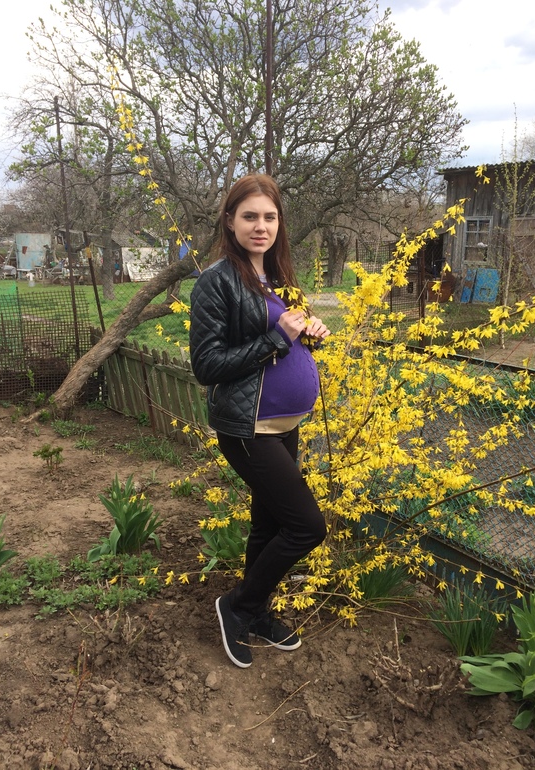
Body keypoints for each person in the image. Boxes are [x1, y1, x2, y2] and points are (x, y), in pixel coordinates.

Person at [189, 174, 330, 668]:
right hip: (248, 428)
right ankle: (239, 606)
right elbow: (207, 365)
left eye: (269, 217)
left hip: (285, 425)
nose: (261, 226)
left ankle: (256, 612)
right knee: (307, 526)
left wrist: (308, 334)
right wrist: (277, 338)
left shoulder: (277, 273)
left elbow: (286, 338)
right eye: (250, 216)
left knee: (267, 527)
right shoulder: (217, 280)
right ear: (230, 220)